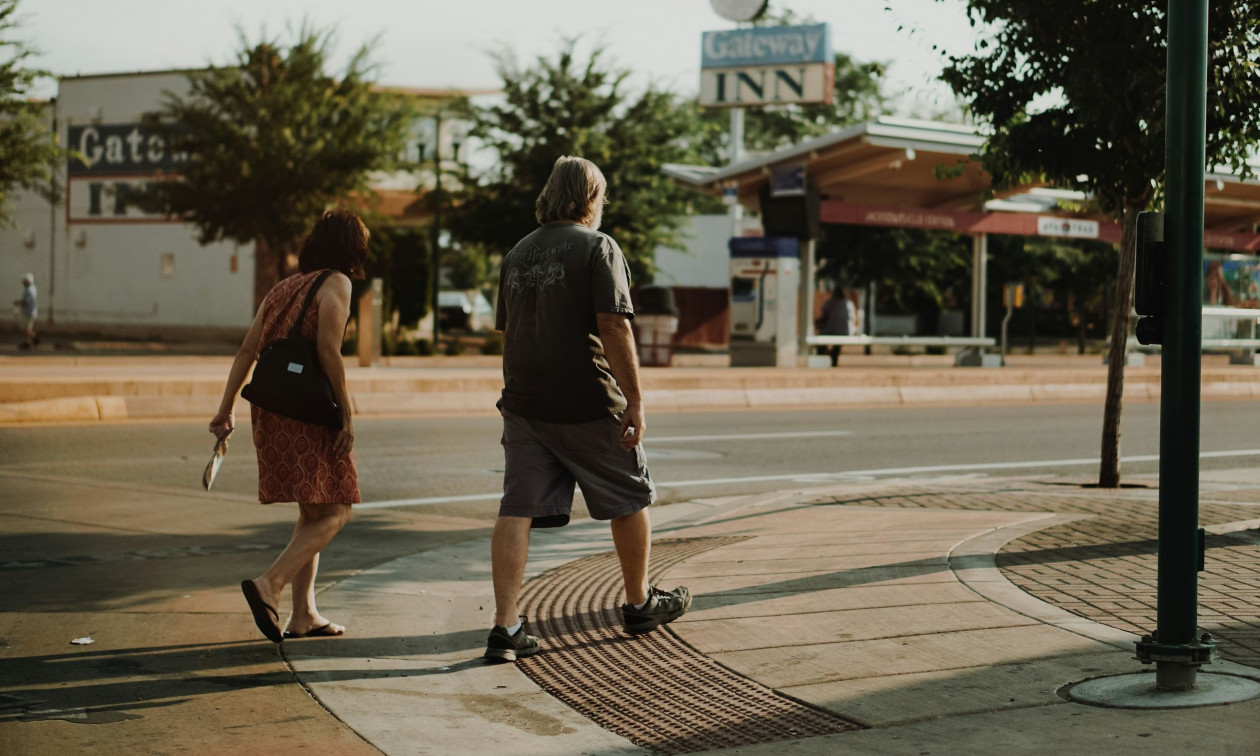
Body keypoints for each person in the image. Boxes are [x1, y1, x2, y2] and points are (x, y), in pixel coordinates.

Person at [485, 156, 691, 663]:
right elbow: (615, 326)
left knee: (517, 509)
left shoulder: (517, 253)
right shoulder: (598, 247)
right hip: (589, 402)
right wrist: (636, 400)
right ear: (590, 198)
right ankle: (639, 601)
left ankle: (506, 627)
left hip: (525, 405)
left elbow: (509, 333)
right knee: (630, 496)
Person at [209, 210, 364, 643]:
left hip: (269, 407)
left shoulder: (283, 288)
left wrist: (225, 410)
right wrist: (347, 414)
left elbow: (247, 349)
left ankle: (304, 615)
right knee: (337, 509)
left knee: (312, 508)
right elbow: (328, 351)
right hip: (307, 407)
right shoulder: (337, 282)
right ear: (351, 247)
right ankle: (269, 585)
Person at [816, 286, 856, 367]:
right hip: (846, 331)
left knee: (820, 339)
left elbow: (824, 318)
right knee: (837, 343)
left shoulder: (829, 303)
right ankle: (833, 355)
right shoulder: (849, 304)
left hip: (830, 330)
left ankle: (824, 356)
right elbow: (853, 319)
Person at [14, 273, 37, 350]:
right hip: (28, 312)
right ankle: (35, 339)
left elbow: (27, 301)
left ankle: (27, 342)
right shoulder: (29, 288)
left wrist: (18, 303)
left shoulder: (30, 290)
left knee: (27, 329)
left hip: (29, 312)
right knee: (29, 328)